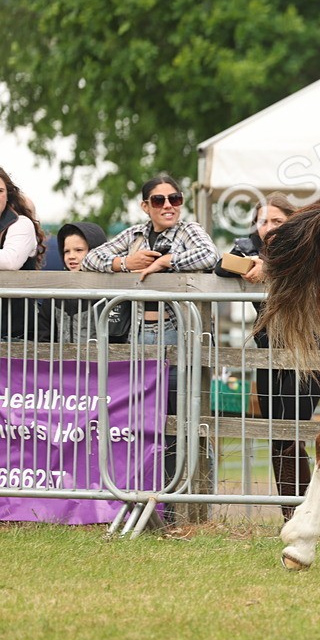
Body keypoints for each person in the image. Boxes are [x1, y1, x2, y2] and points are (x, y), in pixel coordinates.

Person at [83, 175, 219, 524]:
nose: (168, 205)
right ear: (146, 207)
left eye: (174, 198)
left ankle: (177, 510)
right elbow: (91, 259)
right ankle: (145, 507)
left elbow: (210, 253)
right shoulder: (134, 235)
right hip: (138, 335)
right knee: (141, 422)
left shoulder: (190, 230)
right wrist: (125, 264)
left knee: (177, 420)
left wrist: (165, 262)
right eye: (158, 201)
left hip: (177, 334)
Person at [214, 193, 320, 521]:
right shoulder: (248, 246)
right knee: (276, 434)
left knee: (293, 429)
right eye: (263, 221)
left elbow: (307, 272)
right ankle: (292, 513)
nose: (269, 227)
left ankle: (303, 512)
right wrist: (251, 266)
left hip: (308, 352)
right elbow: (220, 264)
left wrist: (269, 269)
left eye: (277, 221)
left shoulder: (308, 247)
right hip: (267, 355)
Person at [38, 222, 109, 342]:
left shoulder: (110, 291)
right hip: (59, 359)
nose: (71, 256)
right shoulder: (55, 293)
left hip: (99, 359)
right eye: (67, 251)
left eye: (78, 250)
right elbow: (43, 336)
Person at [0, 167, 47, 340]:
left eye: (0, 190)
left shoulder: (21, 224)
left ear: (8, 194)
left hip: (15, 335)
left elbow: (11, 260)